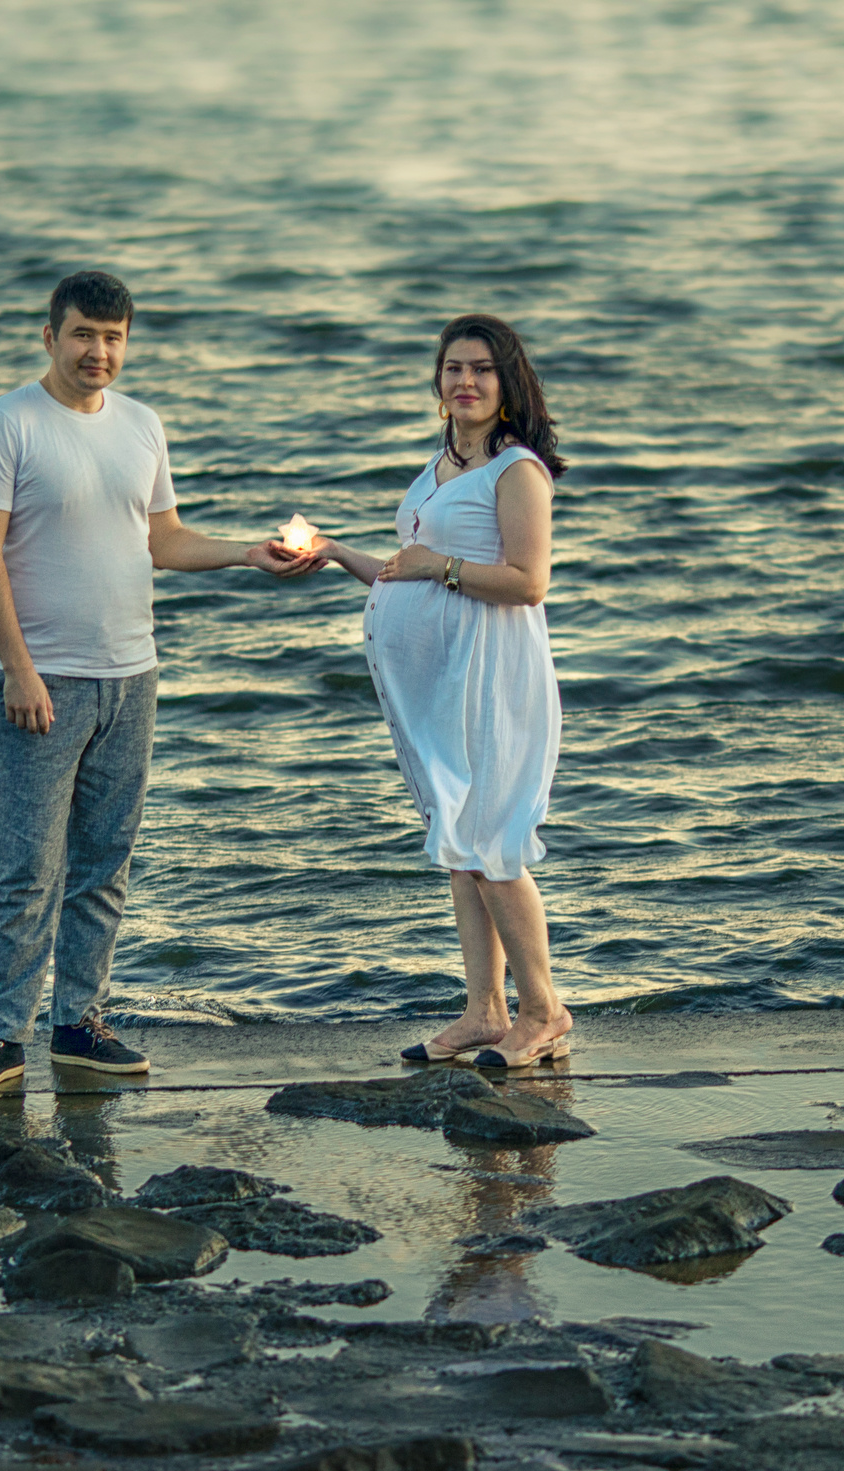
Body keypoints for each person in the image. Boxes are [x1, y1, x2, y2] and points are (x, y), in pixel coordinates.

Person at [0, 270, 319, 1093]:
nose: (99, 352)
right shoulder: (5, 425)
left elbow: (163, 540)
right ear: (50, 337)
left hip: (132, 675)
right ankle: (2, 1037)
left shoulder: (142, 427)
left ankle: (79, 1024)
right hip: (41, 680)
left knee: (105, 863)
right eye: (84, 335)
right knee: (26, 868)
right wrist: (18, 668)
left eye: (113, 338)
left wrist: (247, 554)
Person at [309, 314, 573, 1069]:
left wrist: (439, 570)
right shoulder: (438, 467)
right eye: (453, 367)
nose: (465, 381)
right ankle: (486, 1012)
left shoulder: (515, 470)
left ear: (507, 381)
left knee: (492, 840)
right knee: (461, 845)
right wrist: (333, 552)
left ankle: (545, 1011)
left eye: (482, 369)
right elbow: (406, 566)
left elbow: (528, 581)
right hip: (438, 687)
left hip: (491, 676)